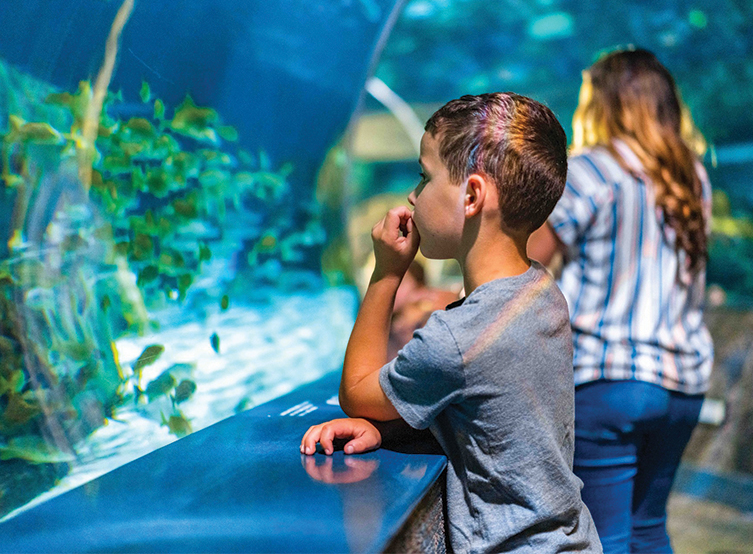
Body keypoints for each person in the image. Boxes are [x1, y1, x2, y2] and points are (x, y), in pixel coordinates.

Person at [301, 93, 601, 553]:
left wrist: (385, 274)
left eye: (424, 177)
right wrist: (391, 430)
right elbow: (492, 422)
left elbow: (357, 393)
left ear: (473, 196)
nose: (411, 194)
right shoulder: (541, 293)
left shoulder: (456, 339)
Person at [527, 48, 713, 554]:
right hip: (682, 386)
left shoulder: (591, 171)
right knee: (649, 529)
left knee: (603, 539)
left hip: (610, 381)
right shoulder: (693, 179)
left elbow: (522, 267)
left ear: (603, 103)